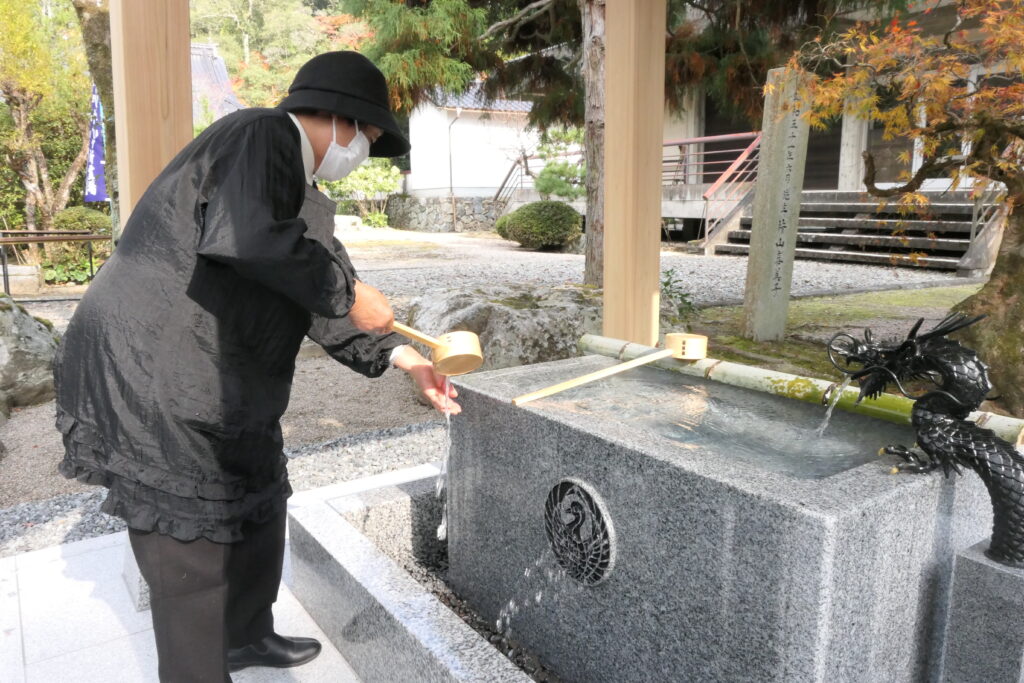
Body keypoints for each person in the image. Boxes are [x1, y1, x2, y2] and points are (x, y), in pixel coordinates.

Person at [53, 51, 460, 682]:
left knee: (261, 500)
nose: (364, 150)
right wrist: (352, 294)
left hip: (226, 374)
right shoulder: (259, 134)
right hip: (153, 367)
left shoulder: (303, 196)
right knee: (191, 542)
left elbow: (317, 292)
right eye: (369, 136)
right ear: (337, 118)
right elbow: (244, 239)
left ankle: (246, 637)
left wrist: (408, 359)